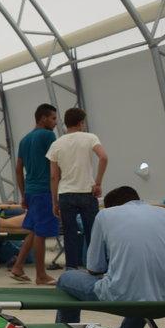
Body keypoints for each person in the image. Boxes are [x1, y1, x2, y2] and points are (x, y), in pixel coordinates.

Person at [54, 186, 165, 328]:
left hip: (124, 298)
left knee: (67, 278)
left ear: (111, 206)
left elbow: (94, 268)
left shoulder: (105, 215)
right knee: (142, 290)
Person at [48, 107, 108, 269]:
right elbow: (103, 157)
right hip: (87, 192)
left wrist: (55, 202)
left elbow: (54, 177)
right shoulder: (90, 138)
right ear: (81, 122)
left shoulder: (56, 144)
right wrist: (98, 183)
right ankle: (95, 267)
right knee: (93, 233)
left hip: (66, 194)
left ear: (66, 123)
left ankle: (71, 269)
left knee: (70, 234)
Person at [9, 103, 60, 285]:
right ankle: (41, 275)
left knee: (34, 231)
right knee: (41, 233)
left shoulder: (25, 140)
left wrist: (24, 194)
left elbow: (18, 170)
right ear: (43, 118)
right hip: (44, 191)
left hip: (31, 191)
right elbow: (56, 163)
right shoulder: (48, 135)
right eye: (53, 118)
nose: (55, 122)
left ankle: (18, 266)